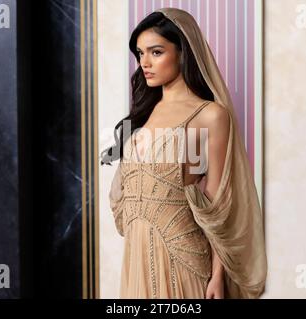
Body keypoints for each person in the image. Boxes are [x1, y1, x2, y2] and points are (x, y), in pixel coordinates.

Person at [101, 7, 267, 299]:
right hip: (136, 257)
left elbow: (219, 204)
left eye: (156, 52)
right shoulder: (143, 114)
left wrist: (218, 277)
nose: (144, 63)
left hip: (183, 259)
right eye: (140, 54)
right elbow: (125, 192)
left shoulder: (210, 115)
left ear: (182, 52)